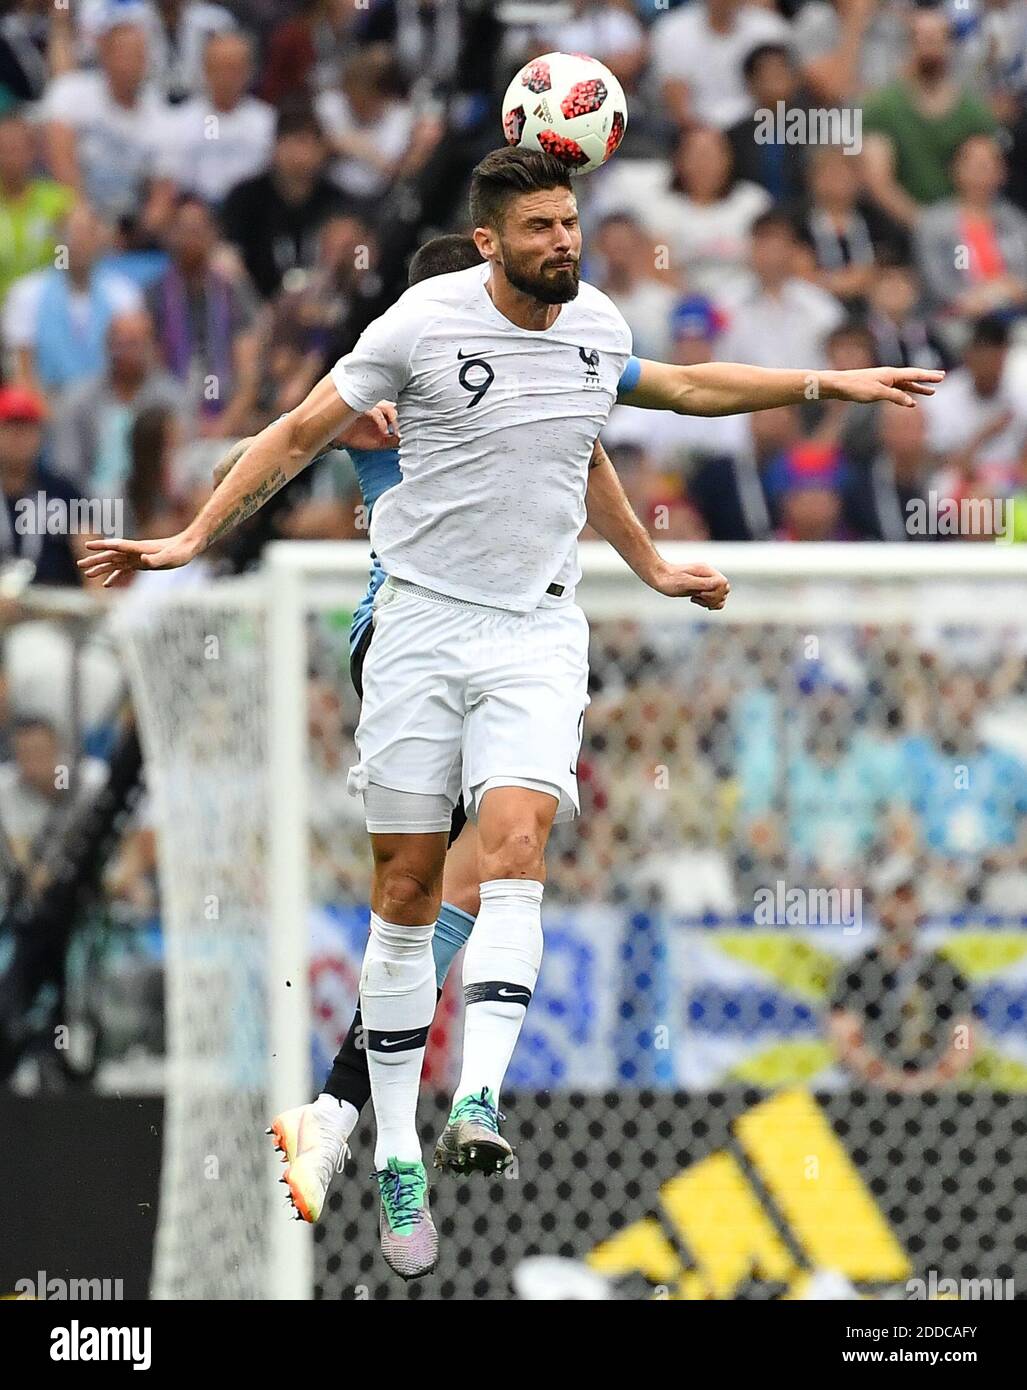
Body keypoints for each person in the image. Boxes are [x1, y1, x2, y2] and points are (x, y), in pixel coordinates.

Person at [82, 149, 943, 1280]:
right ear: (481, 254)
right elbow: (296, 433)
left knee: (501, 858)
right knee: (419, 892)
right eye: (539, 226)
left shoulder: (575, 340)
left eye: (568, 223)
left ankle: (439, 1103)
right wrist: (195, 535)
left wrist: (656, 556)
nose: (564, 244)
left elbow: (596, 436)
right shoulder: (410, 350)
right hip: (407, 631)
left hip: (530, 630)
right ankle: (363, 1119)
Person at [828, 858, 976, 1092]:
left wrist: (938, 1075)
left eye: (909, 900)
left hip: (934, 1090)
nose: (903, 910)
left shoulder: (944, 971)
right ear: (880, 907)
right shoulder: (858, 972)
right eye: (896, 900)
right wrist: (886, 1077)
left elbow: (963, 1034)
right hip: (873, 1091)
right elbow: (846, 1037)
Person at [0, 111, 75, 303]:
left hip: (40, 310)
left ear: (33, 152)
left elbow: (63, 258)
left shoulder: (57, 202)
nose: (10, 156)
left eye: (17, 148)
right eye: (4, 149)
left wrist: (60, 277)